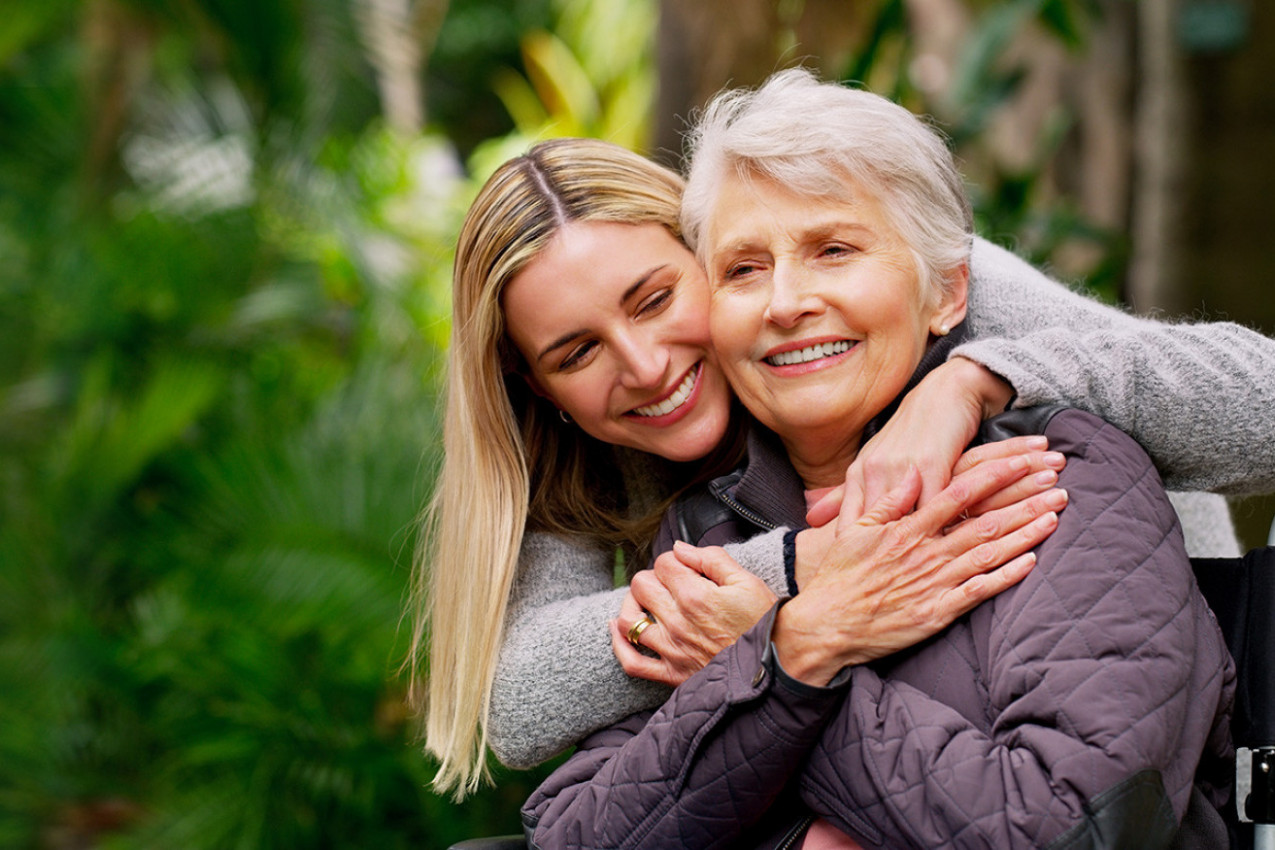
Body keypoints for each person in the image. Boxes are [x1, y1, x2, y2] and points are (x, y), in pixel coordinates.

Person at [411, 117, 1275, 795]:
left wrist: (973, 378)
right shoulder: (585, 440)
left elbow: (1262, 407)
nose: (643, 366)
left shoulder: (911, 280)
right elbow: (519, 701)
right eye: (575, 353)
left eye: (656, 298)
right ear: (538, 386)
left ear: (710, 252)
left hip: (1150, 693)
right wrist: (805, 575)